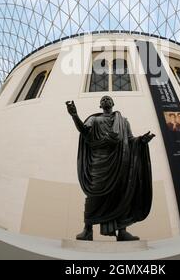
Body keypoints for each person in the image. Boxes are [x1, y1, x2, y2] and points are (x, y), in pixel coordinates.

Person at [66, 96, 155, 241]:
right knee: (94, 195)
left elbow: (130, 140)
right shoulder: (94, 120)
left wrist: (141, 141)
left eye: (108, 99)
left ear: (113, 103)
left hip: (120, 162)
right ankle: (87, 230)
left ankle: (122, 231)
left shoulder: (123, 121)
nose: (106, 100)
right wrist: (74, 115)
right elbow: (83, 131)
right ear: (100, 105)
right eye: (103, 100)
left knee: (120, 194)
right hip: (98, 160)